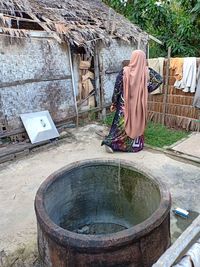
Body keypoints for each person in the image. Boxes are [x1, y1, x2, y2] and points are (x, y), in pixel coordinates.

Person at [101, 50, 162, 153]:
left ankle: (111, 143)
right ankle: (135, 146)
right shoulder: (148, 71)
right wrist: (146, 89)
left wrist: (114, 103)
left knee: (120, 125)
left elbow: (117, 88)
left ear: (132, 58)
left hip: (124, 104)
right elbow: (159, 80)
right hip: (139, 104)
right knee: (137, 122)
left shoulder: (125, 71)